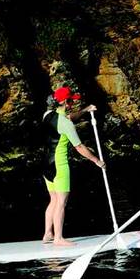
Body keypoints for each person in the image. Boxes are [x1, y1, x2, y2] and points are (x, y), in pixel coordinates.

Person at [41, 86, 105, 246]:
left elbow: (68, 117)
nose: (72, 104)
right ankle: (58, 238)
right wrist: (97, 161)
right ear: (64, 101)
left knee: (53, 200)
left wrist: (85, 110)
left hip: (46, 164)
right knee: (61, 202)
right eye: (70, 101)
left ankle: (48, 233)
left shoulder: (47, 115)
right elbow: (80, 147)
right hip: (60, 166)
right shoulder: (66, 124)